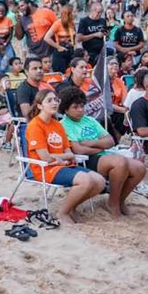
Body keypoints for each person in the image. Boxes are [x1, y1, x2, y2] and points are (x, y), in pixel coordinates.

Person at [58, 86, 145, 217]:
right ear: (66, 109)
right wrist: (100, 146)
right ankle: (113, 202)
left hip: (102, 155)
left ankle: (119, 200)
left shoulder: (90, 120)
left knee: (139, 168)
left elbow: (110, 141)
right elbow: (78, 149)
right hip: (85, 160)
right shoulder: (64, 124)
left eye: (82, 106)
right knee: (120, 163)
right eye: (75, 107)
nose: (80, 110)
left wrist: (91, 143)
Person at [23, 90, 107, 225]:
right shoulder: (35, 125)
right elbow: (45, 157)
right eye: (49, 100)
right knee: (86, 180)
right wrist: (64, 156)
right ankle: (62, 212)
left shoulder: (57, 124)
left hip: (63, 165)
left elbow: (68, 150)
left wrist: (63, 156)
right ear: (39, 106)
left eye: (56, 100)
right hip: (45, 169)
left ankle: (71, 206)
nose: (54, 103)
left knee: (100, 181)